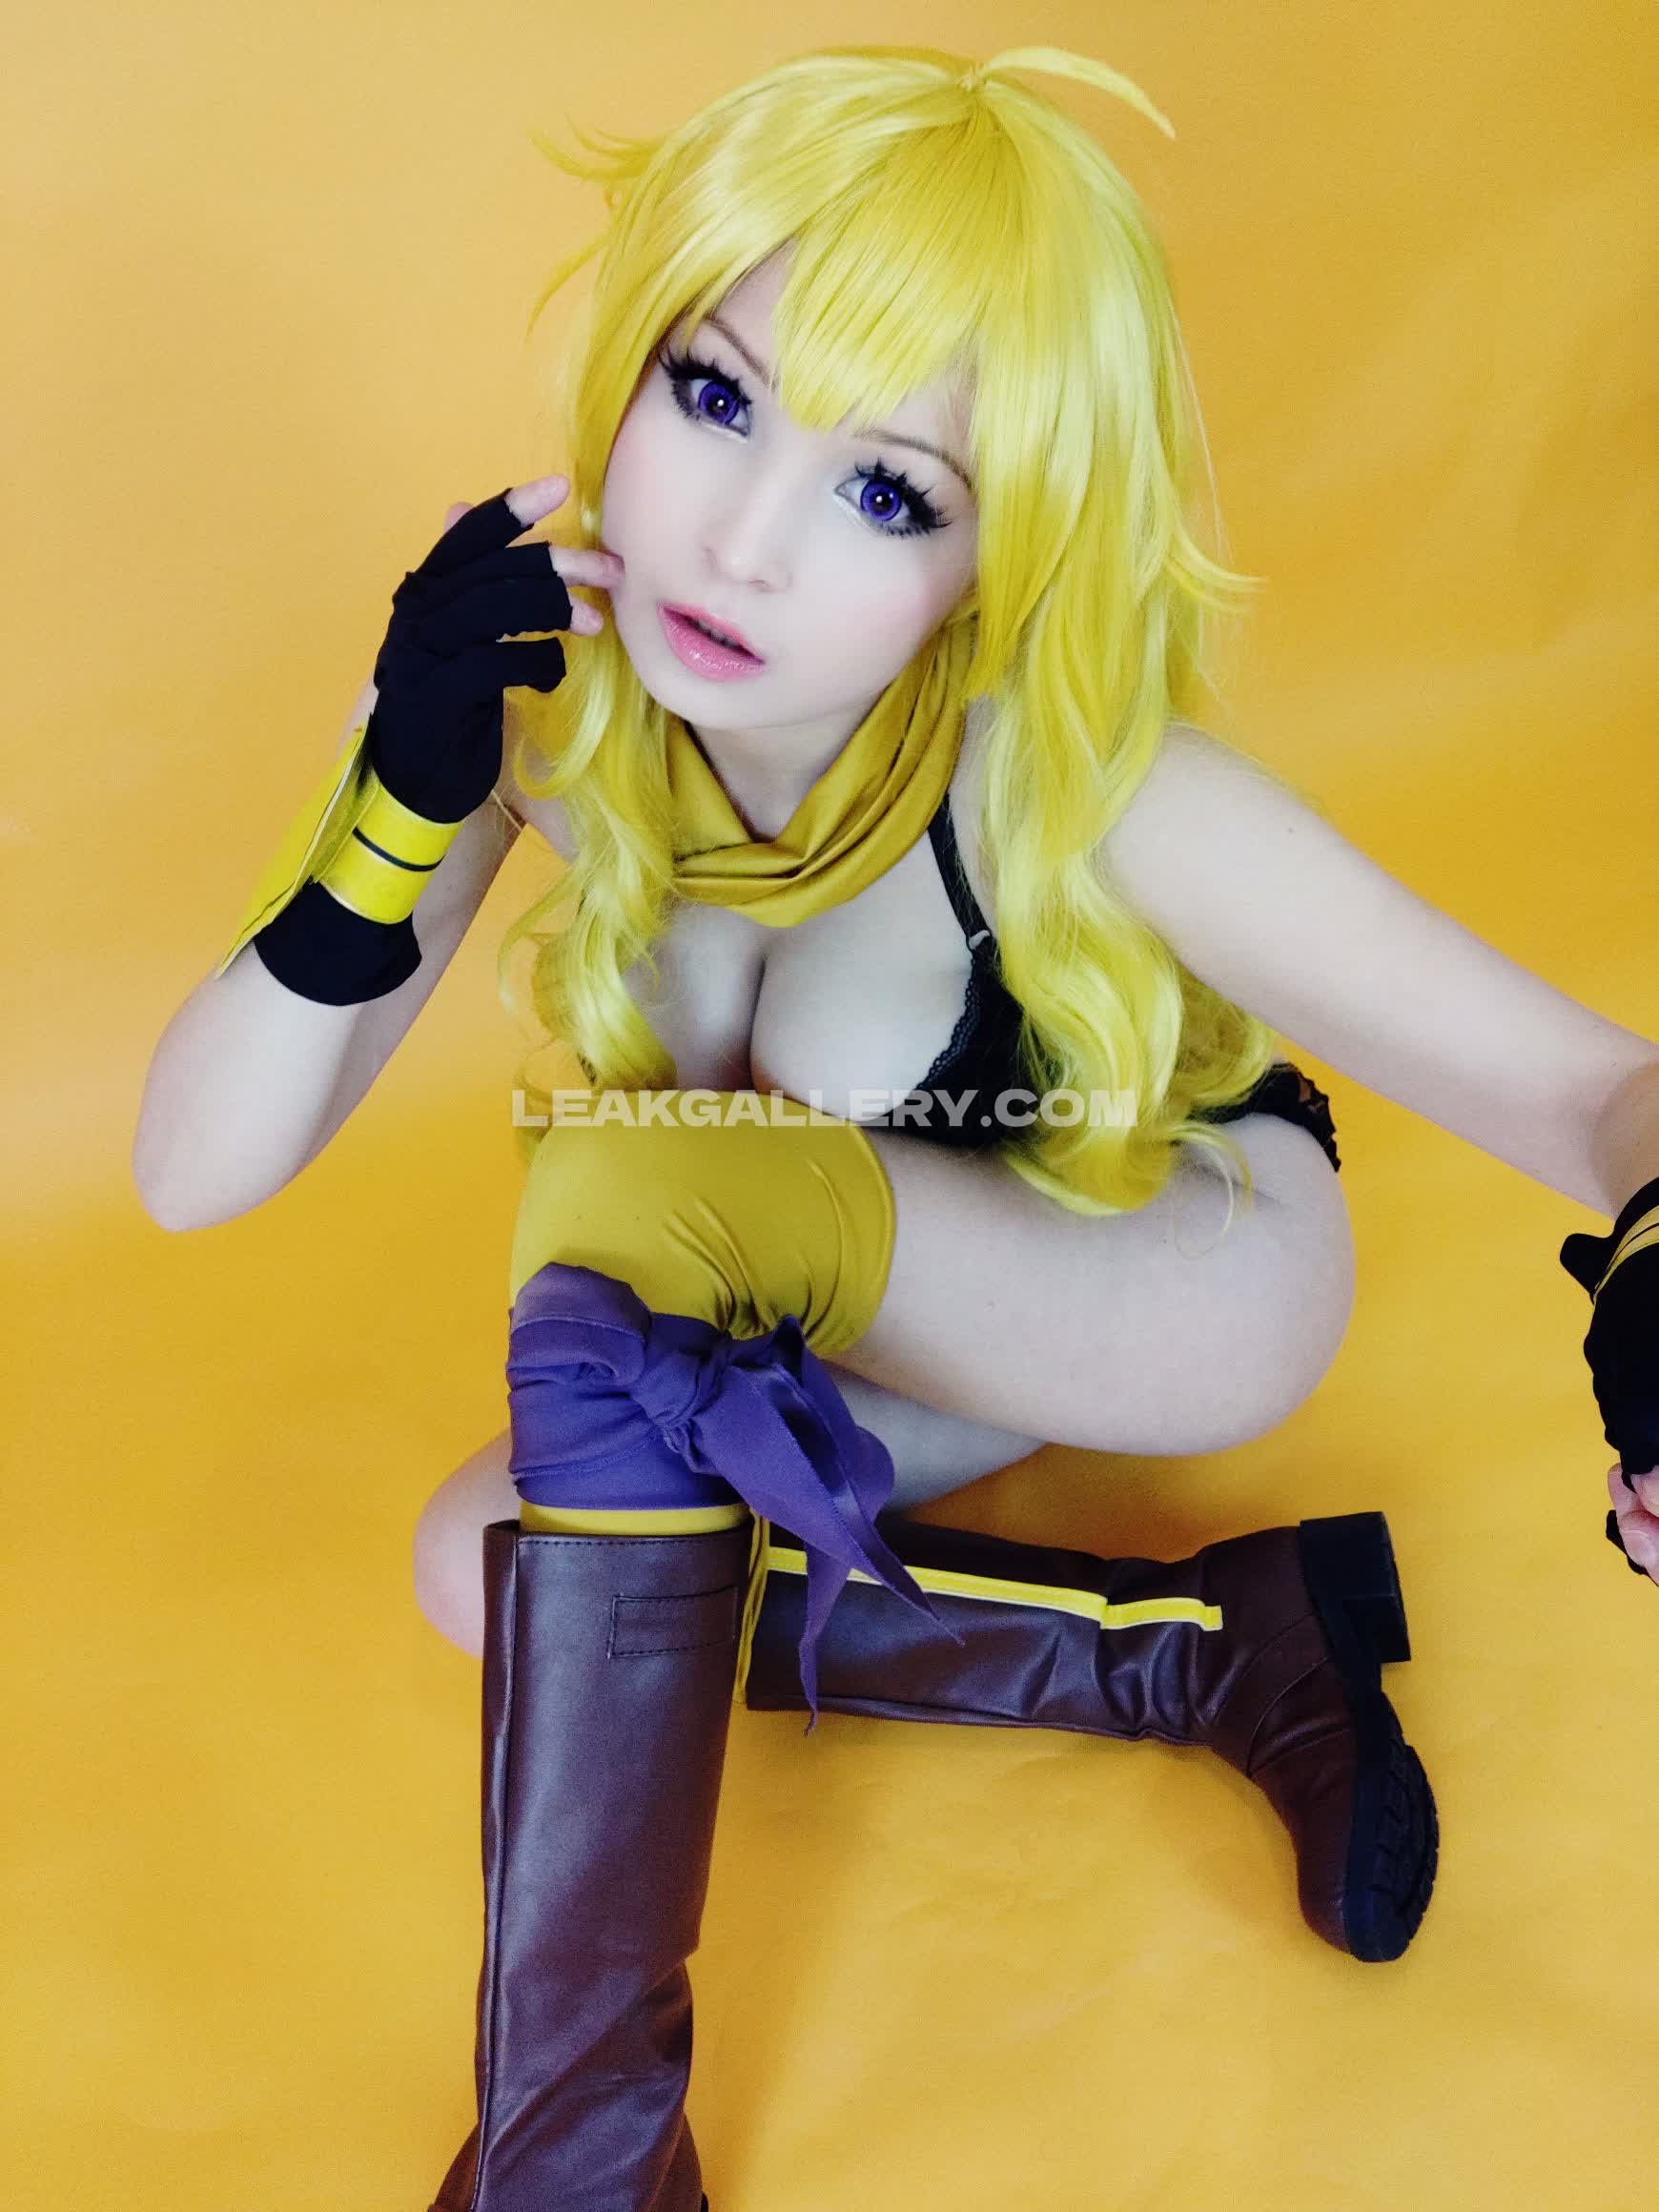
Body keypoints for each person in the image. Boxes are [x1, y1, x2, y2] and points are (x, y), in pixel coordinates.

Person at [133, 44, 1659, 2211]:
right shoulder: (544, 684)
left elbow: (1590, 1085)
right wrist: (394, 793)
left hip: (1160, 1266)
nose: (741, 542)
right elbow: (193, 1172)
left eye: (887, 494)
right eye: (718, 394)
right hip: (825, 1296)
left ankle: (580, 2153)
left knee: (623, 1195)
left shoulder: (1060, 767)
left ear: (994, 552)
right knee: (487, 1571)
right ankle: (1206, 1652)